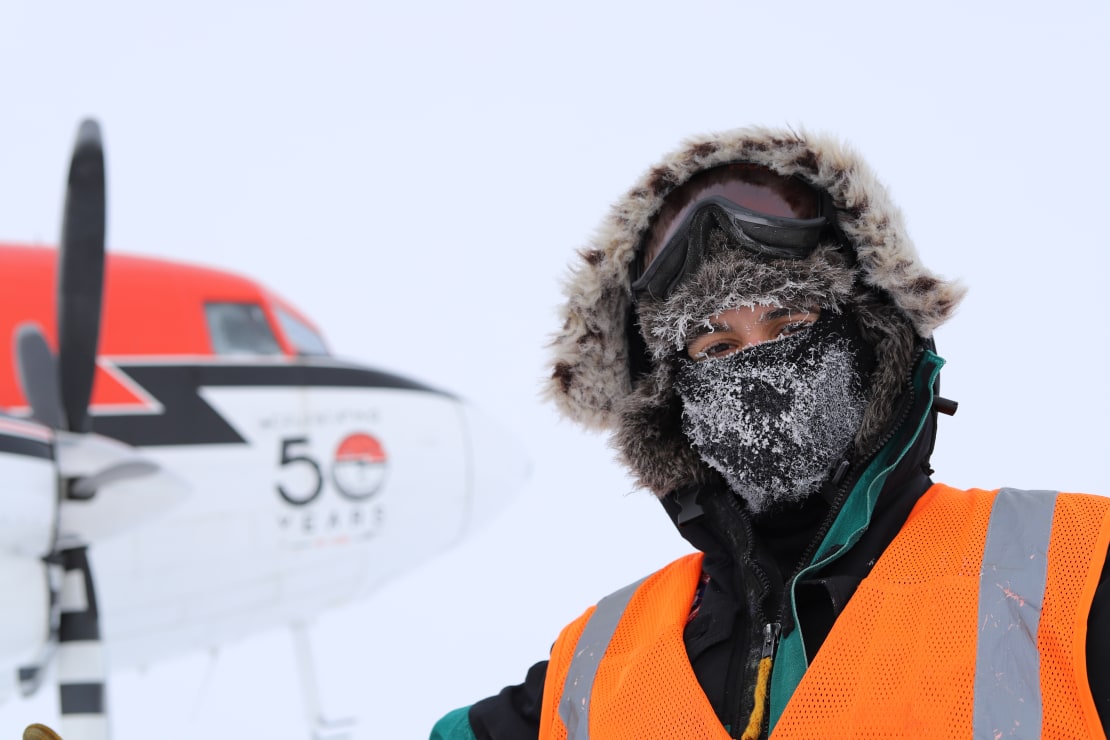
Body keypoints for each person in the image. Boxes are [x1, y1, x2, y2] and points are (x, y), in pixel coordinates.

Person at [431, 126, 1110, 739]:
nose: (761, 369)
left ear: (872, 343)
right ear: (672, 399)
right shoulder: (595, 667)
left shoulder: (1071, 567)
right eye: (719, 348)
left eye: (791, 327)